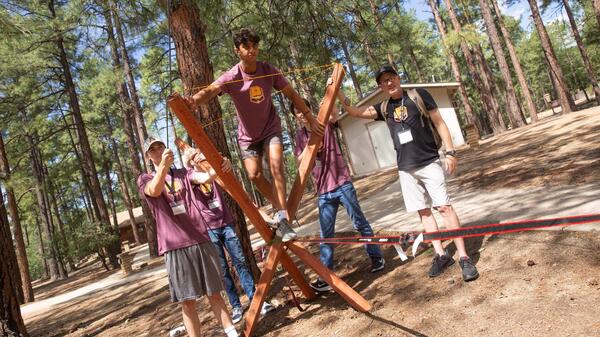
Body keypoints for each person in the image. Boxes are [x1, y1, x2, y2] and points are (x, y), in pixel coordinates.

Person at [337, 65, 479, 282]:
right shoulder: (384, 108)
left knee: (444, 208)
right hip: (405, 169)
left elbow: (439, 123)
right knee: (423, 212)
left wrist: (450, 152)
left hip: (430, 161)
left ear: (398, 78)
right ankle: (441, 255)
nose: (389, 83)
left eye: (391, 78)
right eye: (384, 81)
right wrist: (338, 91)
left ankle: (464, 257)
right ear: (381, 87)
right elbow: (355, 112)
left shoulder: (418, 95)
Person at [185, 28, 324, 242]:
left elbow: (291, 93)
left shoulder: (268, 69)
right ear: (237, 51)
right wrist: (192, 102)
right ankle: (282, 208)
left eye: (255, 46)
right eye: (246, 47)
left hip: (270, 129)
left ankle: (282, 218)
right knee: (254, 176)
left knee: (276, 166)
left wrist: (310, 117)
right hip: (247, 138)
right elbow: (212, 90)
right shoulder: (232, 76)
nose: (252, 51)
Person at [137, 137, 239, 337]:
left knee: (215, 294)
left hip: (201, 239)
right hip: (174, 246)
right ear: (148, 156)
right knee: (187, 301)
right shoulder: (145, 178)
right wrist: (163, 168)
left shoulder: (183, 174)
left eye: (160, 147)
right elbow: (155, 190)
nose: (158, 151)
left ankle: (232, 333)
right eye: (153, 150)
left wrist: (221, 165)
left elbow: (206, 177)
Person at [291, 98, 385, 292]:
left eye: (303, 109)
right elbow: (299, 160)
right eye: (297, 112)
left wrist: (330, 92)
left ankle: (377, 258)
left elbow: (333, 112)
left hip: (342, 183)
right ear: (295, 116)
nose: (301, 114)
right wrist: (312, 144)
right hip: (323, 191)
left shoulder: (324, 122)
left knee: (359, 222)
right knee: (327, 234)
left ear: (309, 109)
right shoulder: (300, 136)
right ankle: (326, 277)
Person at [181, 148, 275, 323]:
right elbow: (206, 177)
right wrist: (219, 165)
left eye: (201, 153)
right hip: (209, 229)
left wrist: (226, 163)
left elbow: (223, 173)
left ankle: (257, 301)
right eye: (195, 156)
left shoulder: (211, 168)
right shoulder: (192, 176)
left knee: (240, 261)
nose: (200, 156)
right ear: (191, 162)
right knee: (223, 270)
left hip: (226, 223)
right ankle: (236, 306)